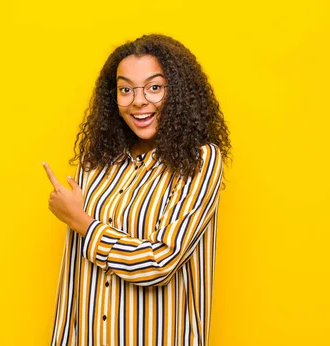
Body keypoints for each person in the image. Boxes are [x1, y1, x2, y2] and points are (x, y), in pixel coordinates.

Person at [43, 34, 231, 346]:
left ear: (177, 93)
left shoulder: (200, 159)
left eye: (154, 87)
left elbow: (160, 263)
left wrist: (85, 225)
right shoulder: (96, 164)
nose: (138, 100)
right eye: (125, 89)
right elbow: (73, 276)